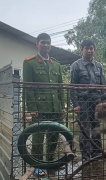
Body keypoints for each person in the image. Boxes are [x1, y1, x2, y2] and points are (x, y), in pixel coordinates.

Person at [23, 33, 65, 176]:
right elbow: (28, 87)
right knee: (38, 137)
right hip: (40, 108)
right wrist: (32, 108)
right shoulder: (30, 62)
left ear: (50, 44)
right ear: (37, 44)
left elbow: (60, 86)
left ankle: (51, 162)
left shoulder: (56, 64)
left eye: (48, 43)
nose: (46, 45)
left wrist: (62, 106)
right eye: (43, 42)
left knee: (54, 136)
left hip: (56, 108)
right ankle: (37, 165)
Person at [70, 40, 106, 160]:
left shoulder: (98, 66)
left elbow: (103, 85)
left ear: (94, 49)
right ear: (82, 50)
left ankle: (97, 153)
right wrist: (75, 104)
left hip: (96, 102)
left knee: (96, 127)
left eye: (91, 48)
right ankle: (86, 155)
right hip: (83, 102)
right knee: (84, 129)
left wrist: (104, 101)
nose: (89, 51)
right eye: (86, 48)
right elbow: (73, 86)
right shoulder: (76, 65)